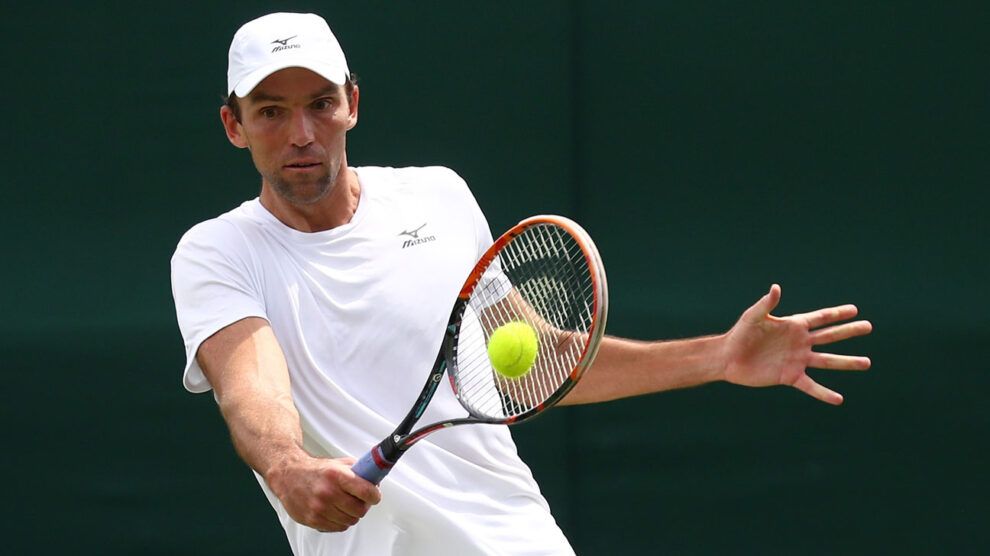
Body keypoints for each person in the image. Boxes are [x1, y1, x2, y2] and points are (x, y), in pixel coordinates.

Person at [170, 12, 873, 556]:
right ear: (234, 125)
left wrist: (719, 356)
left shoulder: (438, 198)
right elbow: (251, 391)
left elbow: (531, 364)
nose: (301, 133)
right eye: (271, 111)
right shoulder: (218, 253)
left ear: (352, 103)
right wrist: (289, 467)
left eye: (320, 103)